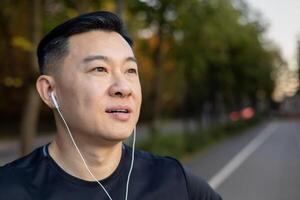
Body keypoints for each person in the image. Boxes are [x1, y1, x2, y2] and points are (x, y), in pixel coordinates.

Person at [0, 11, 222, 200]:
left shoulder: (175, 181)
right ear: (49, 91)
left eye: (130, 71)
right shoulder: (10, 190)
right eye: (100, 69)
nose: (123, 88)